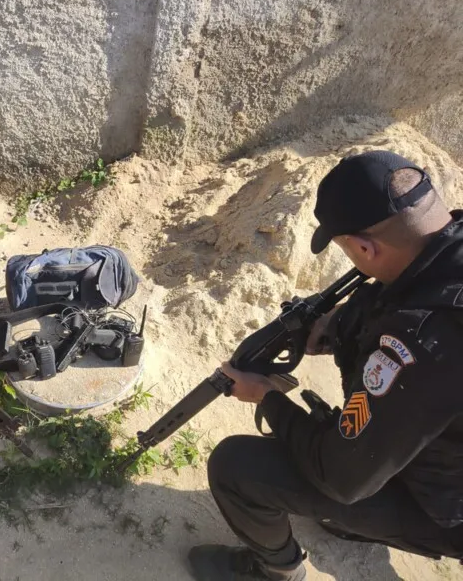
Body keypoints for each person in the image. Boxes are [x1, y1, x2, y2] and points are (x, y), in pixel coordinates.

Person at [188, 151, 463, 580]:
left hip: (449, 510)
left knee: (236, 467)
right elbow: (395, 295)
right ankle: (361, 519)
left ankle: (276, 573)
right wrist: (331, 328)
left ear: (364, 247)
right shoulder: (447, 251)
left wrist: (267, 399)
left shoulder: (418, 344)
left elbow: (341, 477)